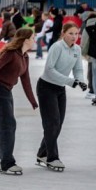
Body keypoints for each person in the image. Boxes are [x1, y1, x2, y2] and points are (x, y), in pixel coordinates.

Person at [0, 29, 39, 174]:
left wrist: (33, 101)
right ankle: (7, 163)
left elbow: (26, 80)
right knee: (8, 125)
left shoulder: (25, 56)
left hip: (6, 91)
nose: (34, 40)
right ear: (25, 40)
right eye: (32, 38)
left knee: (1, 125)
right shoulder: (11, 53)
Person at [36, 22, 87, 171]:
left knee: (58, 124)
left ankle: (42, 153)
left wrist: (81, 81)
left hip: (60, 89)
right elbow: (49, 70)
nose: (74, 37)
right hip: (46, 88)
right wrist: (71, 81)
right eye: (71, 33)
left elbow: (78, 69)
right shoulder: (57, 47)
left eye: (76, 33)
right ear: (63, 33)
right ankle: (52, 158)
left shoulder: (77, 49)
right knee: (52, 123)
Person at [81, 12, 96, 104]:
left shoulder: (88, 28)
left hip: (95, 55)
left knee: (95, 75)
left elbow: (84, 42)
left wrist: (84, 54)